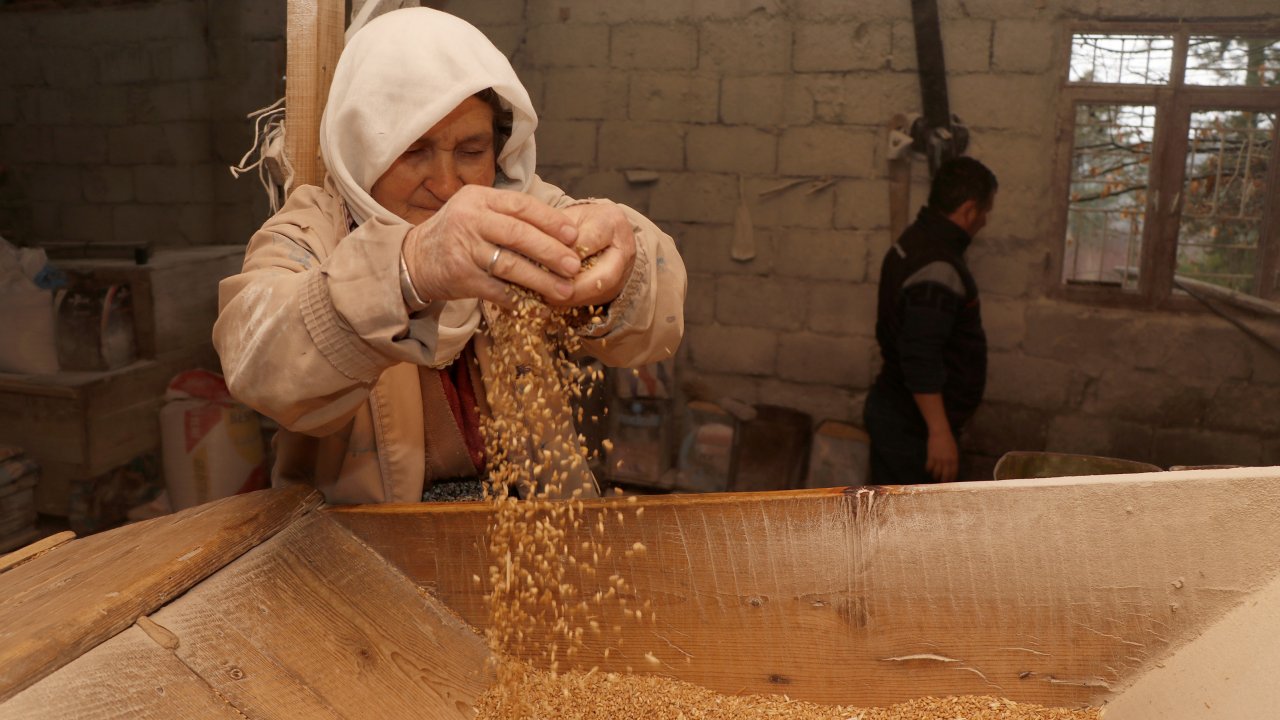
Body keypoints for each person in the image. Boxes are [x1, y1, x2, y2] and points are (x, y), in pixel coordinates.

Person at [213, 8, 686, 505]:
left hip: (522, 526)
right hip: (361, 548)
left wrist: (620, 264)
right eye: (413, 150)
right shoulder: (313, 228)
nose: (446, 185)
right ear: (363, 147)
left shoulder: (517, 210)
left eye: (471, 151)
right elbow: (258, 358)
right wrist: (409, 269)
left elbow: (656, 312)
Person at [864, 157, 996, 484]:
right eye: (984, 211)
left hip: (897, 411)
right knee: (914, 527)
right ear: (968, 210)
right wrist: (939, 433)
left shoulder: (914, 240)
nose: (985, 221)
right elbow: (920, 353)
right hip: (913, 427)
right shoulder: (938, 265)